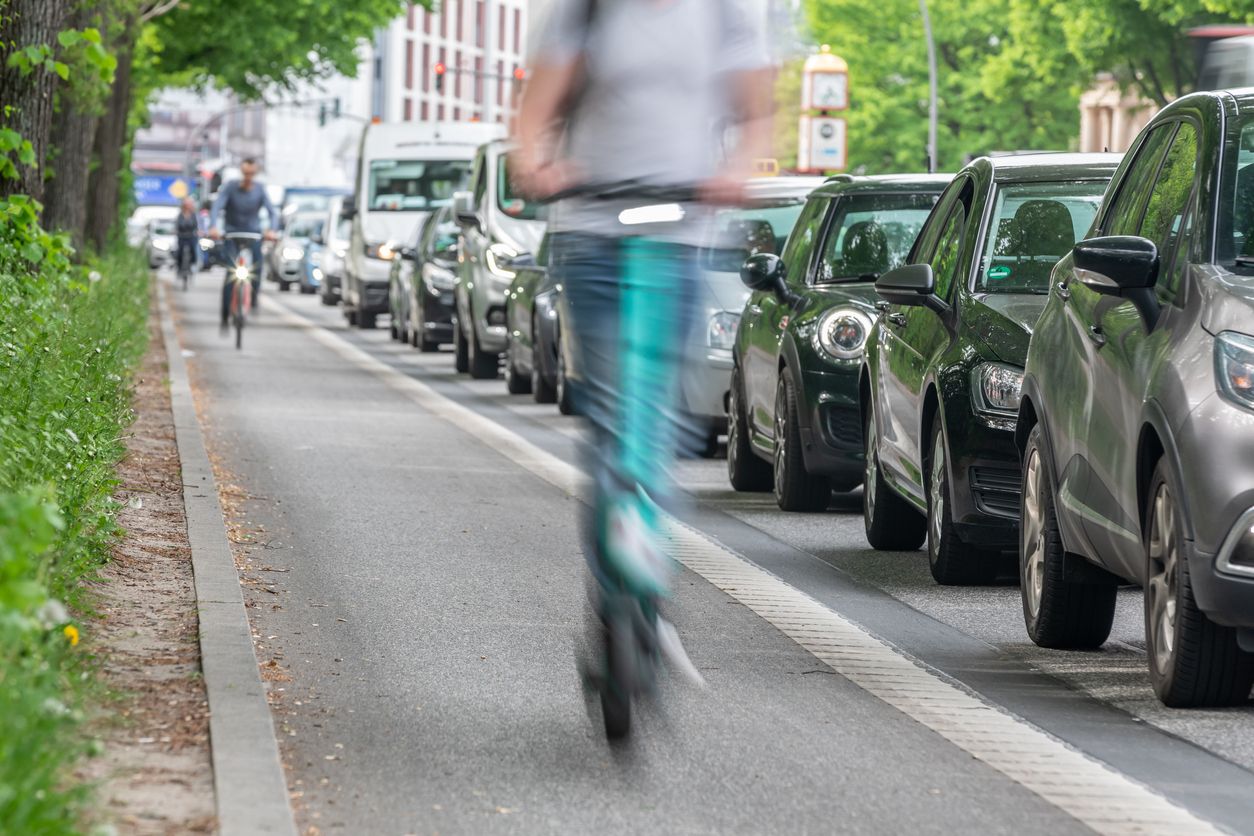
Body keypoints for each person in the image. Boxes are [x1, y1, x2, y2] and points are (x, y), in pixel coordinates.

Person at [512, 0, 773, 731]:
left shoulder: (726, 13)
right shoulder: (586, 9)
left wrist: (738, 171)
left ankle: (647, 584)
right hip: (594, 230)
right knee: (610, 419)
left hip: (682, 233)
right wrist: (533, 158)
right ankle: (612, 596)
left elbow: (755, 116)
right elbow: (537, 111)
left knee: (655, 422)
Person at [208, 159, 278, 330]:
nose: (248, 177)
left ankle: (253, 299)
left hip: (253, 234)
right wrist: (213, 226)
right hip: (232, 234)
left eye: (251, 174)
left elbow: (272, 212)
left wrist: (272, 230)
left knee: (257, 265)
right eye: (245, 173)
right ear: (241, 172)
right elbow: (217, 206)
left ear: (255, 173)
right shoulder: (231, 187)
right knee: (230, 273)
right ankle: (225, 315)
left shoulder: (260, 189)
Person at [174, 197, 199, 278]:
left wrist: (198, 231)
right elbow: (177, 225)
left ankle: (192, 265)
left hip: (191, 236)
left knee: (193, 250)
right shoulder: (180, 215)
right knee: (180, 251)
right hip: (182, 236)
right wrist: (176, 231)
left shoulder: (193, 215)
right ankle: (179, 267)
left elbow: (196, 226)